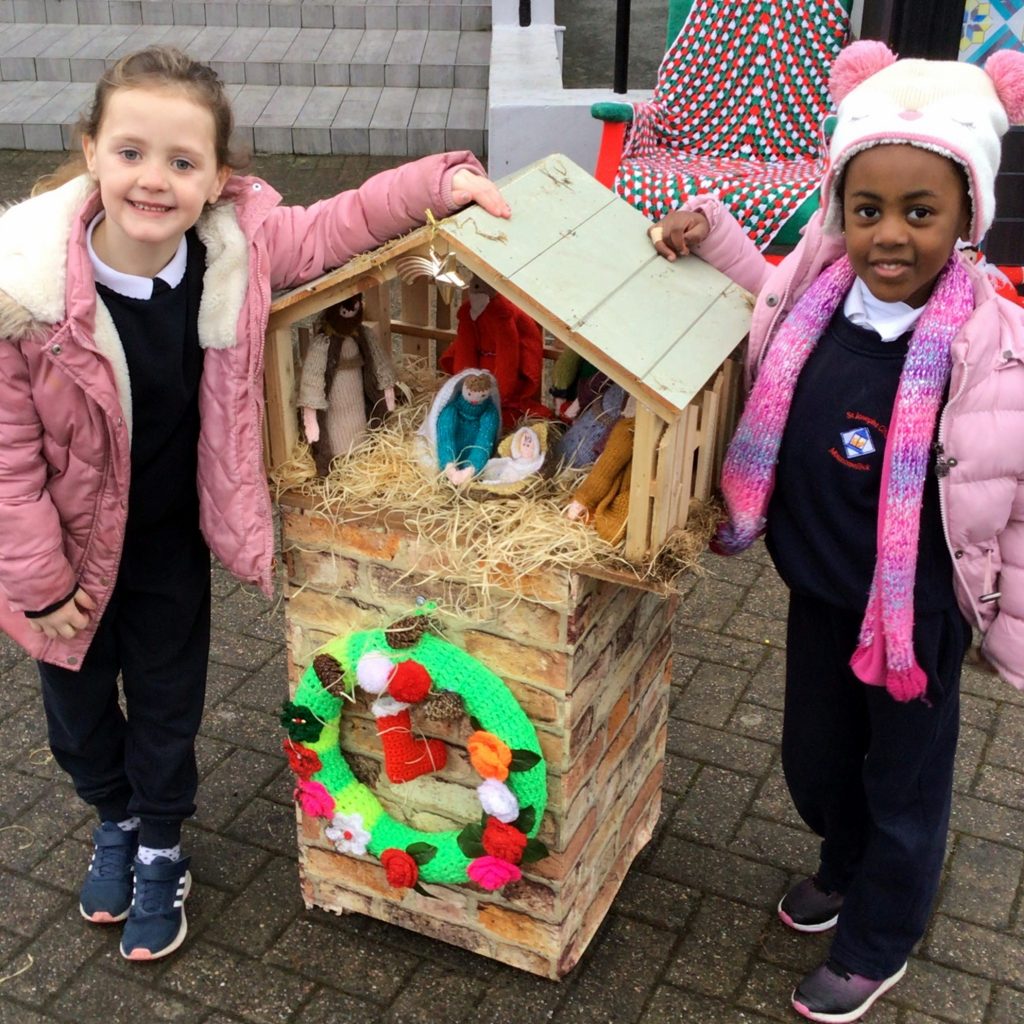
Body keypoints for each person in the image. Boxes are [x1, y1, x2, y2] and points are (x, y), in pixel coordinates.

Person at [0, 45, 510, 963]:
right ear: (89, 152)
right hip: (64, 562)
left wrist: (445, 178)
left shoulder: (231, 254)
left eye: (183, 162)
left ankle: (160, 844)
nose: (154, 180)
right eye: (131, 152)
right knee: (77, 716)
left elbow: (338, 224)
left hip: (163, 545)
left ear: (218, 179)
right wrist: (38, 585)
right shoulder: (24, 300)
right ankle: (110, 820)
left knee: (165, 702)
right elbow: (7, 464)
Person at [650, 41, 1024, 1023]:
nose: (888, 235)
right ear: (839, 211)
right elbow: (755, 289)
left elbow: (1010, 485)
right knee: (815, 760)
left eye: (919, 211)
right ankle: (840, 858)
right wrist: (708, 232)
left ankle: (880, 933)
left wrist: (998, 613)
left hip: (917, 616)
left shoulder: (987, 349)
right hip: (819, 590)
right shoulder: (815, 294)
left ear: (966, 216)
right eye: (867, 210)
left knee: (904, 783)